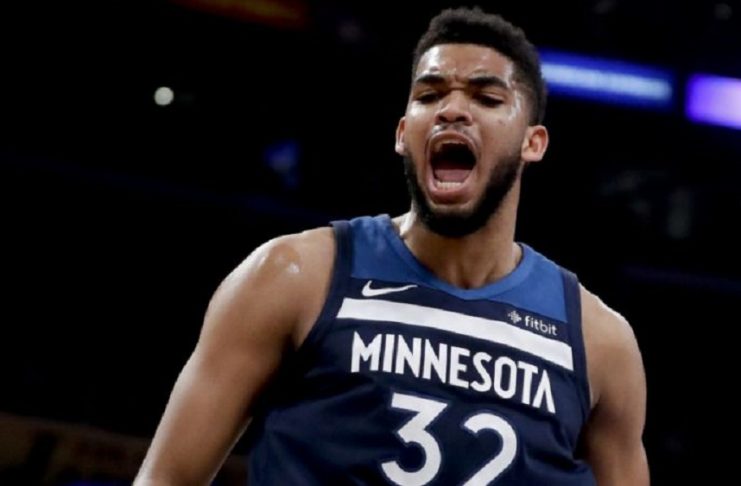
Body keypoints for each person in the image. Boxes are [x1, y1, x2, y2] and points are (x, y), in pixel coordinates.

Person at [135, 7, 649, 485]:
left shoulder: (598, 343)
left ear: (532, 143)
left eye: (486, 98)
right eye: (429, 96)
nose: (452, 110)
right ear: (404, 133)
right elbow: (164, 479)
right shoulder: (294, 276)